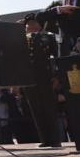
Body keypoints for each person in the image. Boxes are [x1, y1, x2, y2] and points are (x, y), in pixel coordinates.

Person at [21, 15, 63, 147]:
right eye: (29, 23)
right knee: (35, 108)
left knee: (48, 108)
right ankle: (44, 139)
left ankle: (55, 139)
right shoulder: (20, 39)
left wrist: (56, 76)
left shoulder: (48, 37)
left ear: (39, 25)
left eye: (34, 23)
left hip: (46, 77)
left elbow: (56, 57)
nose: (32, 26)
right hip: (29, 78)